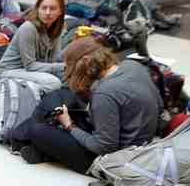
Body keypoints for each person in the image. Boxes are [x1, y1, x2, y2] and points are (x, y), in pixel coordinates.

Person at [15, 37, 164, 174]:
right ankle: (36, 148)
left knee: (37, 129)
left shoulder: (105, 94)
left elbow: (103, 147)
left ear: (84, 63)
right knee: (64, 102)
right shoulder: (132, 65)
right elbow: (160, 106)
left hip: (113, 160)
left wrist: (69, 126)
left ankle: (26, 143)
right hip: (141, 145)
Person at [0, 0, 66, 93]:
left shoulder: (57, 29)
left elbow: (54, 60)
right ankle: (15, 93)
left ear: (60, 11)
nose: (47, 12)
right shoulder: (28, 28)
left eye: (52, 9)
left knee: (69, 78)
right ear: (37, 9)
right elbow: (30, 66)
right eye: (44, 8)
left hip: (32, 72)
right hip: (10, 71)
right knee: (53, 83)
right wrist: (63, 67)